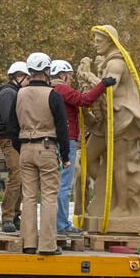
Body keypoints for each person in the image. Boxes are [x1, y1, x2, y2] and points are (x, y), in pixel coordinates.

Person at [81, 25, 140, 233]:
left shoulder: (117, 63)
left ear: (110, 41)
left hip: (122, 119)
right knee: (86, 159)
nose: (95, 44)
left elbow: (110, 88)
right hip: (107, 120)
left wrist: (88, 76)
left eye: (99, 40)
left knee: (120, 163)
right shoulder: (109, 62)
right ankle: (105, 194)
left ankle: (123, 206)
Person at [49, 59, 114, 234]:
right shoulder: (61, 89)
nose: (71, 80)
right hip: (67, 141)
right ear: (63, 75)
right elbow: (84, 100)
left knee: (56, 185)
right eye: (70, 77)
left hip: (56, 141)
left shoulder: (50, 89)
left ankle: (56, 224)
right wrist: (102, 85)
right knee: (63, 185)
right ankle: (61, 226)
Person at [16, 52, 69, 255]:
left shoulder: (19, 93)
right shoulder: (53, 95)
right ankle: (47, 245)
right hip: (47, 147)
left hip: (25, 147)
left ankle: (28, 243)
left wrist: (19, 145)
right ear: (47, 71)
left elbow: (13, 124)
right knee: (48, 196)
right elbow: (62, 128)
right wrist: (64, 156)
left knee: (28, 196)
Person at [0, 61, 29, 233]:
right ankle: (7, 217)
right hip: (9, 140)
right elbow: (10, 121)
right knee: (16, 176)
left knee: (23, 177)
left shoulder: (16, 92)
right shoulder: (8, 93)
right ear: (18, 77)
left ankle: (15, 214)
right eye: (27, 78)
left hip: (17, 140)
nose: (29, 81)